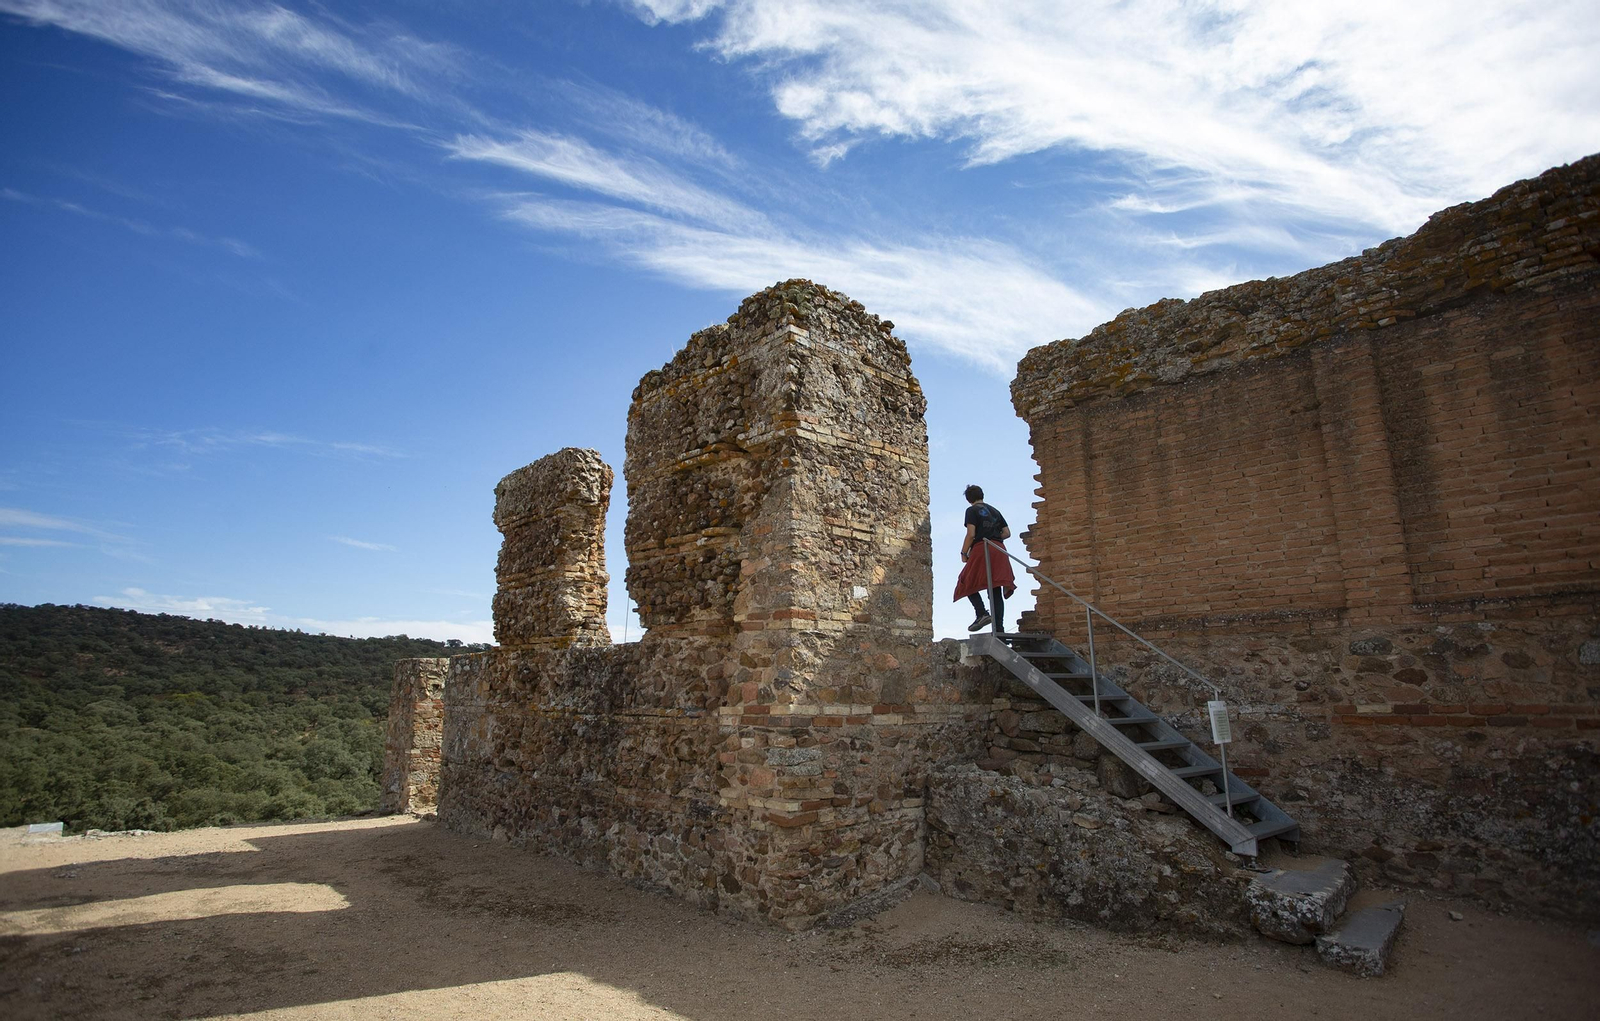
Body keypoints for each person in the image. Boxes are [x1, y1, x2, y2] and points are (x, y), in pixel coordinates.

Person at [954, 484, 1016, 632]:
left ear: (969, 499)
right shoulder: (995, 511)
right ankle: (999, 629)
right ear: (982, 495)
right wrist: (994, 537)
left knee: (965, 580)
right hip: (999, 549)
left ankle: (981, 613)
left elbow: (971, 534)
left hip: (983, 547)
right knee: (995, 588)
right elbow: (1007, 533)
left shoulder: (971, 510)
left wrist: (964, 553)